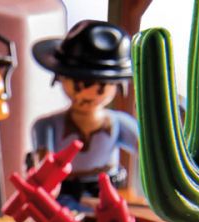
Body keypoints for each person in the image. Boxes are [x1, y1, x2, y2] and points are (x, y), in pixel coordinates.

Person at [31, 20, 138, 209]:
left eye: (101, 86)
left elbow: (149, 153)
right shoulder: (46, 126)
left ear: (117, 85)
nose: (88, 94)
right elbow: (44, 165)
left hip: (108, 198)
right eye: (78, 85)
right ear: (61, 78)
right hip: (64, 200)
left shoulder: (119, 123)